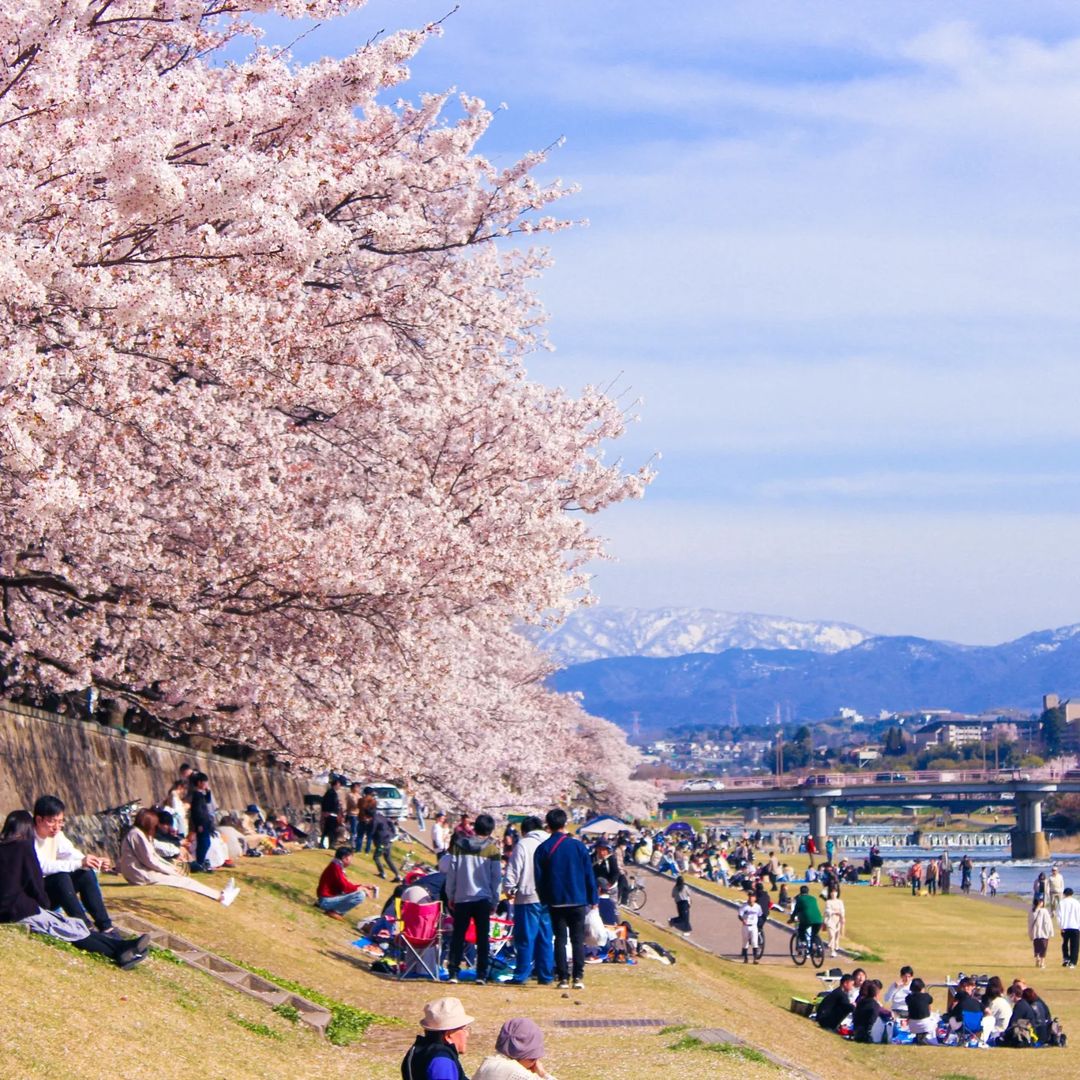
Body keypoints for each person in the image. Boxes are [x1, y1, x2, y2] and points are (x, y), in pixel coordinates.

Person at [1, 811, 150, 969]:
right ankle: (117, 952)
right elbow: (34, 881)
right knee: (66, 929)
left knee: (69, 925)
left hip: (12, 909)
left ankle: (122, 947)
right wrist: (43, 904)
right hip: (20, 911)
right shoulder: (24, 847)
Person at [32, 794, 116, 934]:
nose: (56, 827)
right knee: (61, 878)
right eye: (52, 821)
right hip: (34, 898)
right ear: (39, 820)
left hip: (52, 893)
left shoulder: (57, 835)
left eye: (60, 822)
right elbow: (42, 867)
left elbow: (70, 853)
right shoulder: (28, 837)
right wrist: (79, 863)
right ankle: (84, 927)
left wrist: (93, 862)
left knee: (85, 873)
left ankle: (106, 927)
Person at [534, 808, 597, 991]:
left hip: (556, 900)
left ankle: (562, 978)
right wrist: (593, 897)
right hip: (578, 899)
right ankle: (578, 976)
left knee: (559, 939)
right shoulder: (578, 846)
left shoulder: (543, 848)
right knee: (577, 939)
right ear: (565, 823)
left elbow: (539, 878)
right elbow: (588, 874)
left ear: (548, 825)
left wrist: (544, 898)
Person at [120, 808, 239, 906]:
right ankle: (221, 897)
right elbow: (150, 860)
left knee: (183, 879)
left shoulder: (137, 833)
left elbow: (152, 857)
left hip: (140, 872)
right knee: (184, 881)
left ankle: (221, 894)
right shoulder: (137, 835)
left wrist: (171, 867)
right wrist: (171, 870)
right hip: (140, 875)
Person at [446, 813, 503, 986]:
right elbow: (496, 878)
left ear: (475, 827)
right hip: (483, 898)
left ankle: (453, 972)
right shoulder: (492, 850)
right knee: (482, 937)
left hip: (462, 896)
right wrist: (495, 900)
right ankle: (481, 974)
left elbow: (452, 873)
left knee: (458, 935)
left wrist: (451, 895)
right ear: (490, 830)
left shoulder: (459, 846)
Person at [503, 816, 554, 986]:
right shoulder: (550, 843)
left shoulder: (523, 844)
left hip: (527, 896)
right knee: (545, 937)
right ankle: (545, 975)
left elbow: (513, 870)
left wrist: (509, 889)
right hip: (548, 897)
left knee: (525, 938)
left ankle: (521, 974)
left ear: (524, 830)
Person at [401, 997, 475, 1080]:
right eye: (464, 1029)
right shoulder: (442, 1060)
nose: (467, 1034)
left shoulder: (417, 1050)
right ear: (448, 1035)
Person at [473, 1017, 557, 1080]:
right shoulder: (516, 1073)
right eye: (533, 1059)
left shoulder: (488, 1063)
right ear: (526, 1055)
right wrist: (543, 1074)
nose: (534, 1063)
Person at [316, 845, 374, 919]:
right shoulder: (335, 867)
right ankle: (335, 912)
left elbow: (344, 885)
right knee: (360, 895)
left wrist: (362, 886)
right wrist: (361, 888)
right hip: (325, 900)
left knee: (358, 892)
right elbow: (345, 886)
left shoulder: (336, 865)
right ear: (344, 858)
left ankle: (333, 910)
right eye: (350, 858)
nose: (351, 861)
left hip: (327, 899)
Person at [187, 771, 216, 872]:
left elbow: (207, 800)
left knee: (206, 843)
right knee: (204, 843)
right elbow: (196, 811)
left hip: (205, 822)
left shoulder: (200, 794)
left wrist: (208, 792)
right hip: (201, 823)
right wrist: (199, 824)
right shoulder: (196, 795)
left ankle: (201, 861)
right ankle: (200, 862)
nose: (206, 784)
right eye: (205, 782)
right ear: (199, 782)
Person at [788, 884, 823, 951]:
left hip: (807, 919)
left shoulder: (800, 899)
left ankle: (803, 942)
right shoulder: (813, 898)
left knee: (801, 930)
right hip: (819, 919)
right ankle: (818, 947)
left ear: (800, 892)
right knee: (814, 934)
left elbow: (796, 911)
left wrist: (791, 919)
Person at [980, 975, 1012, 1045]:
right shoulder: (1003, 1000)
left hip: (999, 1031)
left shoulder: (995, 1003)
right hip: (1004, 1029)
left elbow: (985, 1017)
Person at [371, 810, 402, 882]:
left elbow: (373, 830)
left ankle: (382, 873)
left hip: (382, 842)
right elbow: (392, 827)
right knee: (388, 858)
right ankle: (398, 875)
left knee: (376, 857)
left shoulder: (376, 819)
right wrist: (392, 835)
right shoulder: (385, 818)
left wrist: (370, 835)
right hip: (388, 841)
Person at [906, 977, 936, 1044]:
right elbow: (929, 1007)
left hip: (912, 1026)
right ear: (922, 987)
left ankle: (919, 1036)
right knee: (935, 1019)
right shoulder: (927, 996)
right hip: (925, 1025)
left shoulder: (908, 998)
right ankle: (924, 1037)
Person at [737, 888, 762, 964]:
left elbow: (760, 915)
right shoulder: (744, 906)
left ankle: (755, 959)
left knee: (754, 942)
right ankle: (746, 958)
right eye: (750, 896)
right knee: (745, 942)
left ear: (755, 898)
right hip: (746, 926)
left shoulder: (757, 907)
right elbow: (740, 915)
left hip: (754, 926)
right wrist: (742, 920)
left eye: (752, 897)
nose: (751, 898)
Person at [1057, 886, 1080, 967]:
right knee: (1075, 945)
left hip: (1065, 926)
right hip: (1075, 926)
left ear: (1064, 894)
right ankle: (1073, 962)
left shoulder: (1061, 903)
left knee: (1065, 943)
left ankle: (1066, 959)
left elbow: (1059, 916)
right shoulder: (1076, 903)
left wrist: (1061, 926)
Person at [1030, 895, 1054, 968]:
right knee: (1043, 948)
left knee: (1037, 947)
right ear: (1040, 903)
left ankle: (1037, 958)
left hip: (1035, 933)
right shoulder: (1044, 911)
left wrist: (1030, 933)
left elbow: (1029, 923)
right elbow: (1048, 922)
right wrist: (1050, 931)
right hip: (1043, 933)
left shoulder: (1032, 911)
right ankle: (1042, 962)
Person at [320, 775, 343, 849]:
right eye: (339, 784)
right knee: (331, 830)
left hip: (330, 814)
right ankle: (330, 844)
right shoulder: (331, 793)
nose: (339, 786)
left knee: (327, 830)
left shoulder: (331, 792)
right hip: (330, 814)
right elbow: (327, 803)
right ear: (335, 784)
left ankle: (323, 843)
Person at [823, 887, 845, 957]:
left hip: (838, 920)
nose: (833, 894)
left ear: (837, 893)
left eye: (835, 892)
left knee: (836, 936)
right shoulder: (828, 902)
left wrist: (842, 917)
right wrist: (836, 912)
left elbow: (842, 910)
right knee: (831, 935)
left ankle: (834, 947)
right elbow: (828, 910)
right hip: (830, 920)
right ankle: (832, 951)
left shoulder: (840, 902)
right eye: (832, 892)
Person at [345, 782, 364, 849]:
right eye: (357, 787)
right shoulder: (350, 795)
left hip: (359, 814)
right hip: (352, 814)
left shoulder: (359, 795)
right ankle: (353, 844)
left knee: (358, 830)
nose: (358, 789)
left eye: (359, 787)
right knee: (354, 830)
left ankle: (356, 843)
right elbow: (355, 804)